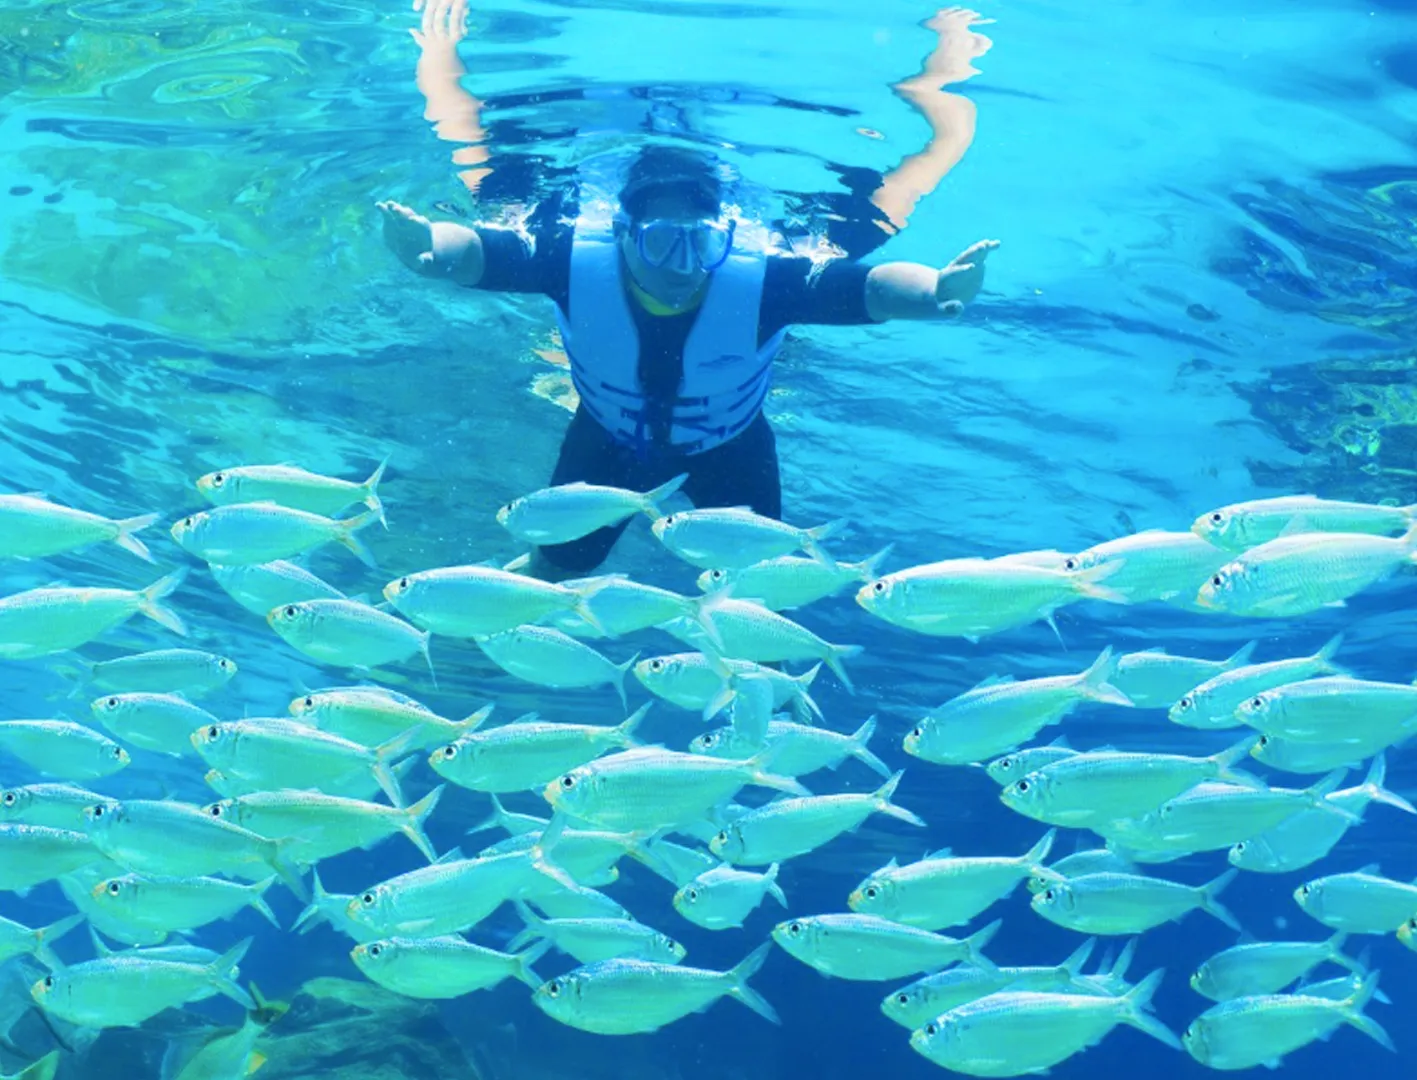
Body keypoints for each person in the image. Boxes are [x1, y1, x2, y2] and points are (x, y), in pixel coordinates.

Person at [380, 4, 999, 577]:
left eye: (701, 243)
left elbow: (873, 289)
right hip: (606, 438)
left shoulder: (768, 280)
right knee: (558, 567)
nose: (682, 264)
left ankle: (933, 86)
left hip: (732, 447)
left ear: (726, 237)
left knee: (755, 590)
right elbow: (478, 250)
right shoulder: (570, 258)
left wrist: (934, 290)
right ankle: (479, 630)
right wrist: (432, 250)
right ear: (621, 234)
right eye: (658, 241)